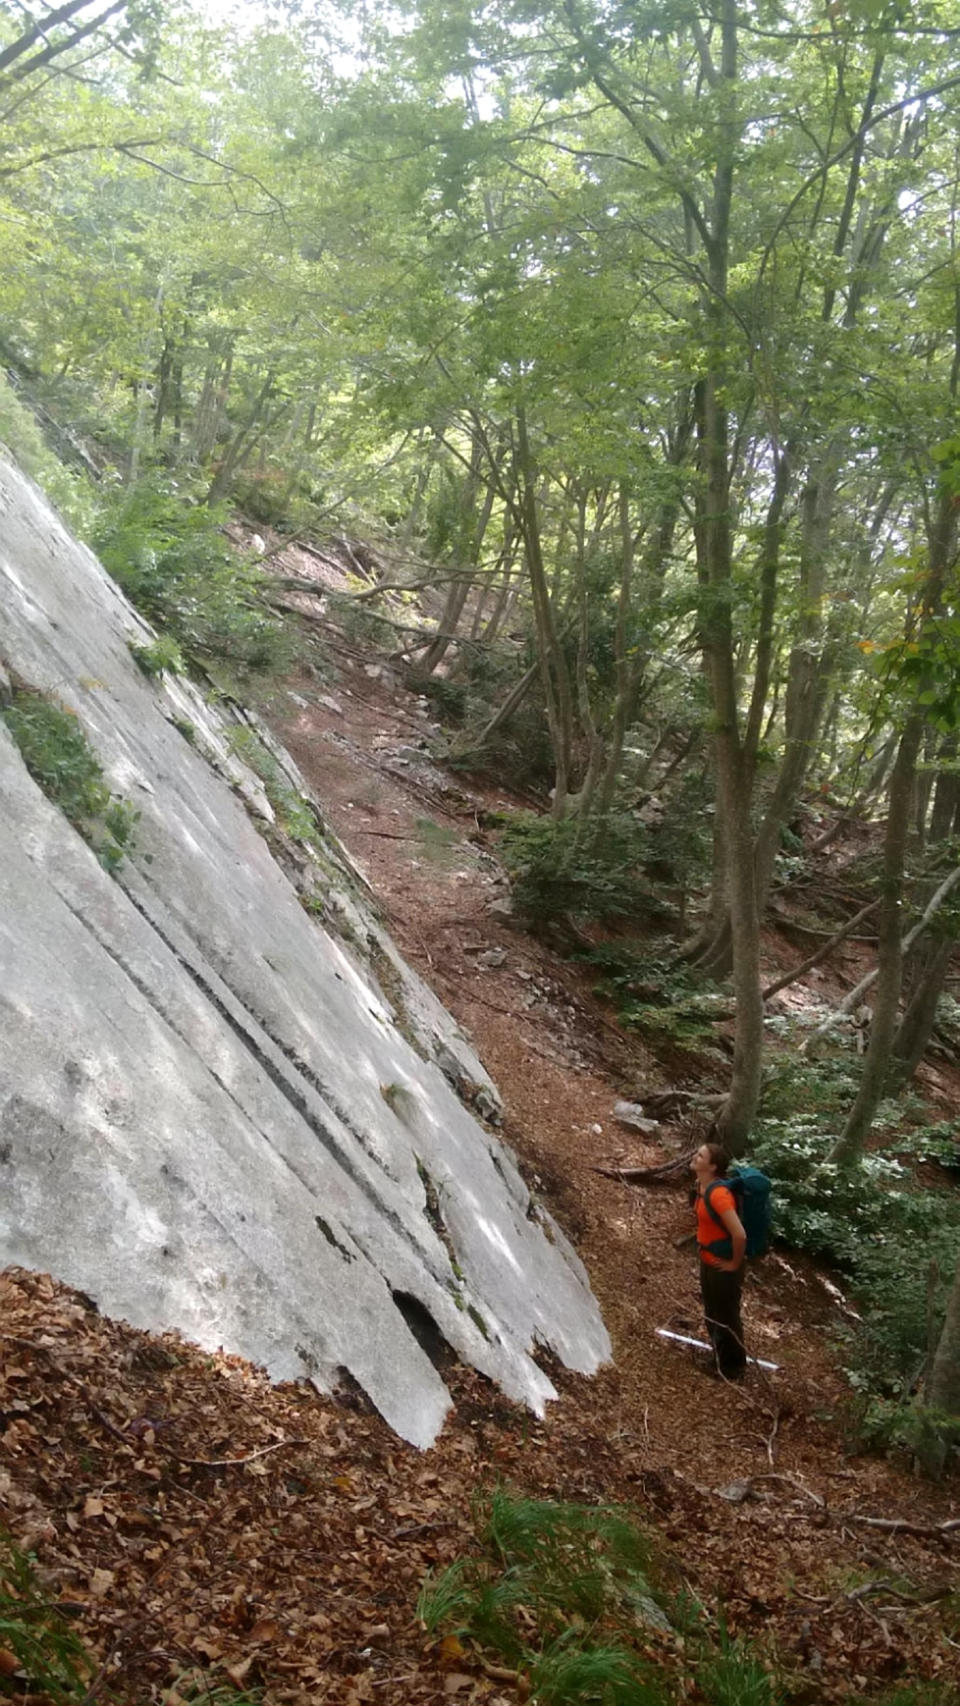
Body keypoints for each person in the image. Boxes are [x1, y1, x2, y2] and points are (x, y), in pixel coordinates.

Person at [692, 1141, 747, 1380]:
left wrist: (734, 1264)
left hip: (723, 1265)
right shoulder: (701, 1187)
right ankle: (719, 1357)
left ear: (713, 1166)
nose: (695, 1157)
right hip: (708, 1259)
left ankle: (733, 1368)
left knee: (726, 1315)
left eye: (701, 1156)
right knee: (712, 1311)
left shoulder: (719, 1195)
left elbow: (739, 1234)